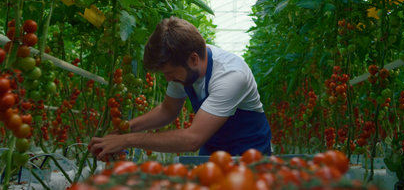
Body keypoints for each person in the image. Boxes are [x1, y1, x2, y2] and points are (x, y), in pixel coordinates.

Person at [88, 16, 271, 160]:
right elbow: (168, 111)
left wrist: (127, 140)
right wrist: (125, 129)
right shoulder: (184, 71)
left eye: (171, 72)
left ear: (193, 59)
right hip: (213, 149)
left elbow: (193, 139)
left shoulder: (230, 76)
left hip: (249, 152)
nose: (168, 79)